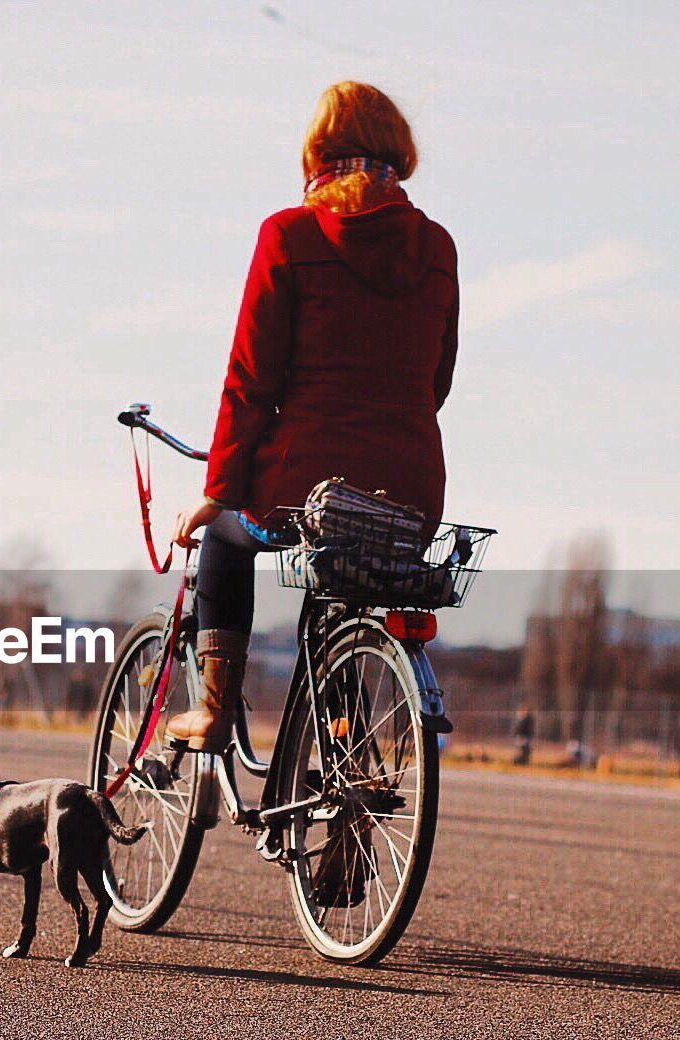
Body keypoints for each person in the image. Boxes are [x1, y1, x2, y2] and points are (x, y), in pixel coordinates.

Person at [168, 82, 458, 756]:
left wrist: (217, 491)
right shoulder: (438, 248)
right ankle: (343, 751)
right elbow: (436, 383)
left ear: (320, 152)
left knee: (227, 540)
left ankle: (212, 711)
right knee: (339, 598)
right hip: (409, 494)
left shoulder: (289, 234)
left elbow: (250, 382)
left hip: (302, 486)